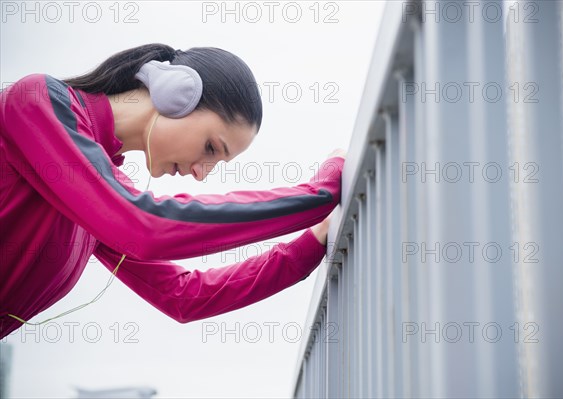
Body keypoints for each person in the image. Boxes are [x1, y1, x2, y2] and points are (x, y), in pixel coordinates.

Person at [0, 43, 345, 339]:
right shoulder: (36, 102)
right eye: (211, 148)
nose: (199, 174)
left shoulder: (100, 198)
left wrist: (311, 241)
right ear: (174, 91)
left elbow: (184, 296)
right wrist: (320, 194)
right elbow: (144, 226)